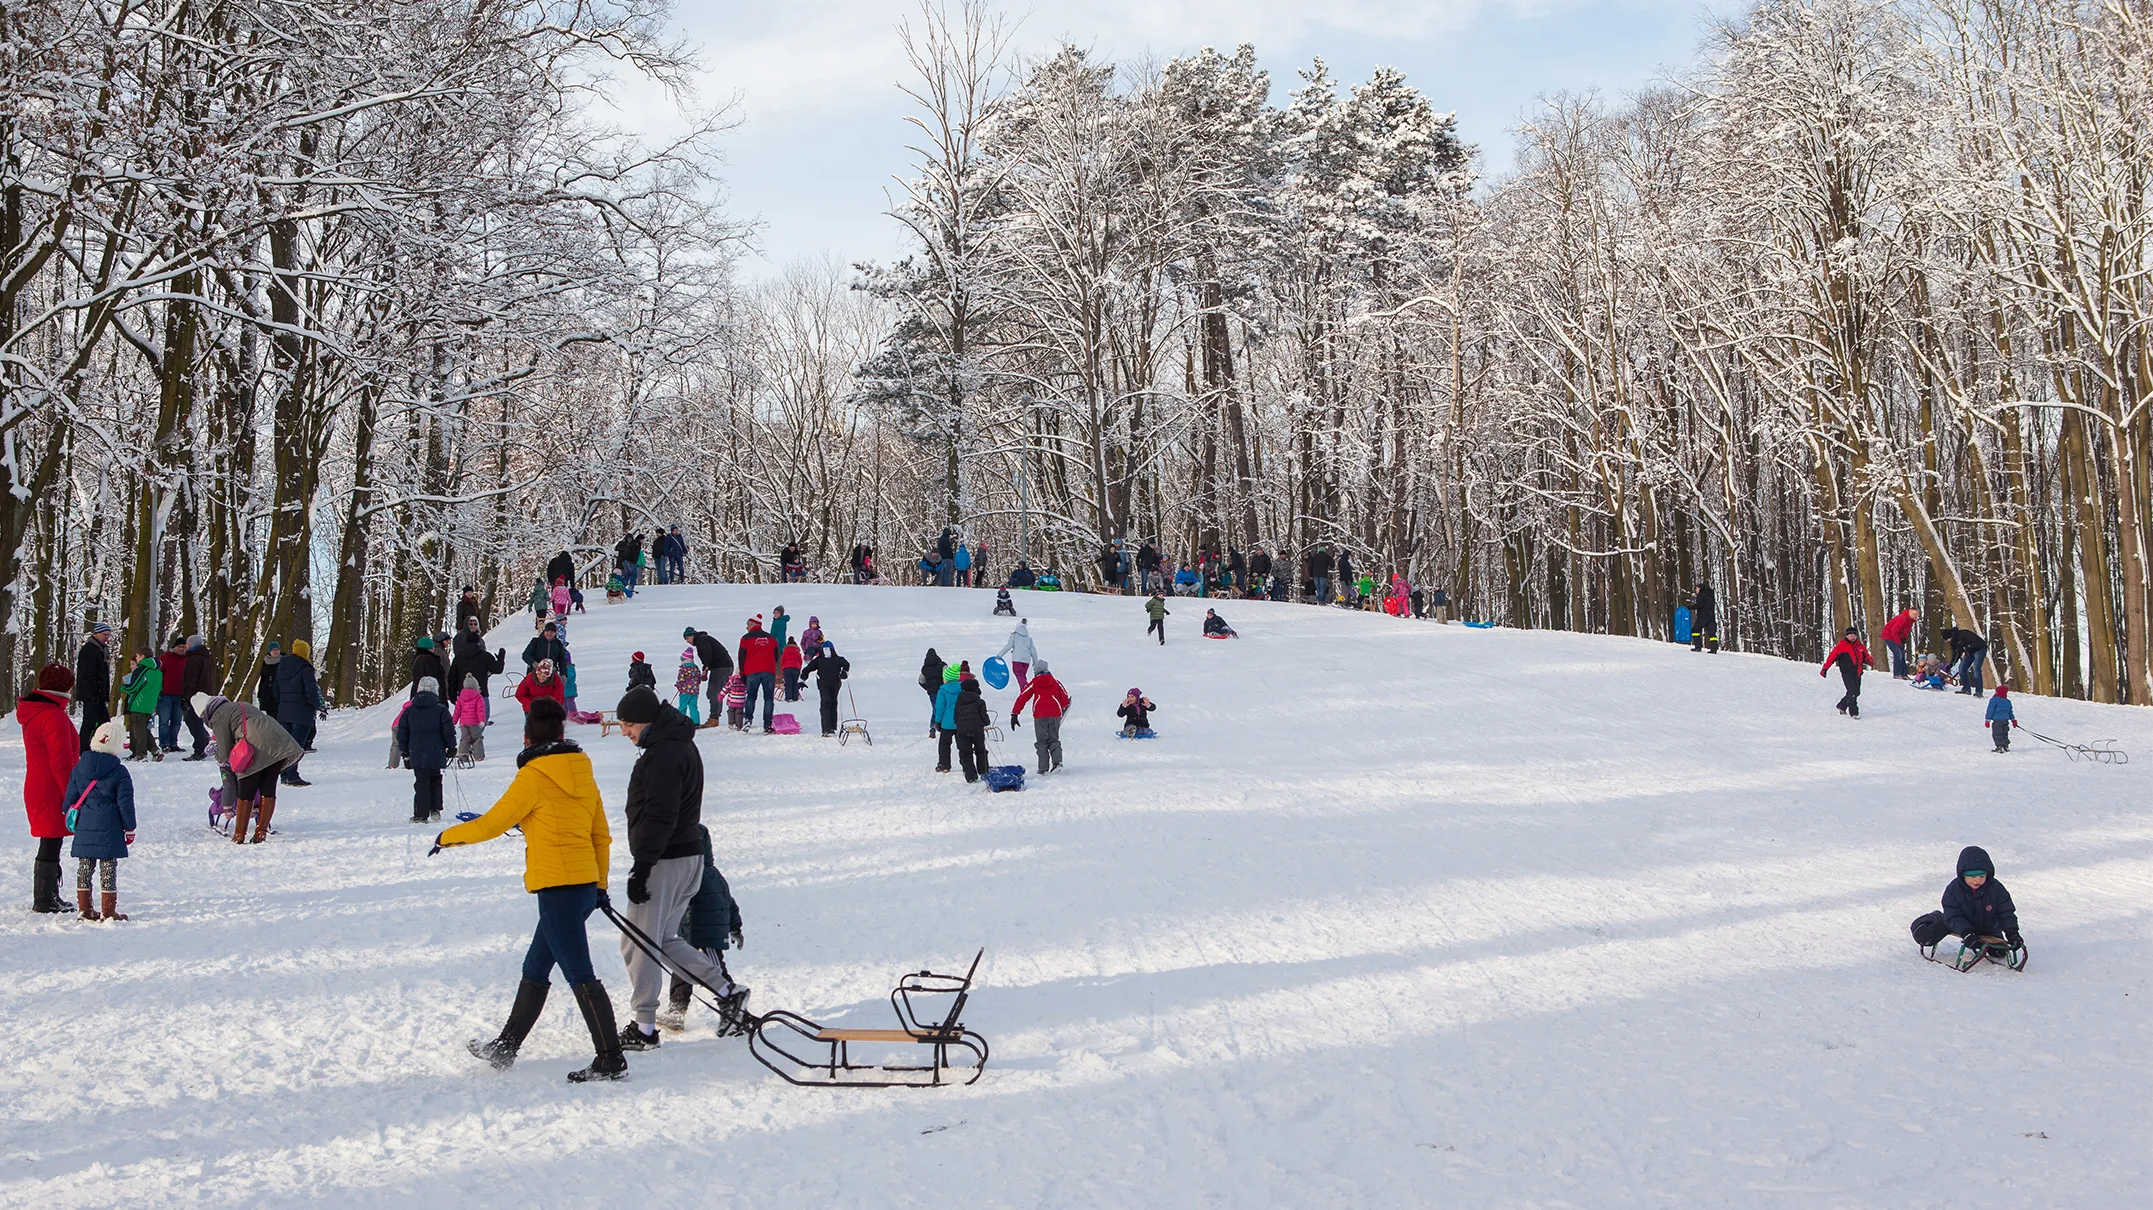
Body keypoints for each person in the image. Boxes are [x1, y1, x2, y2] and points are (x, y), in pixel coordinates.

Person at [441, 697, 624, 1082]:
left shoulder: (534, 776)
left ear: (527, 738)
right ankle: (505, 1047)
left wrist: (447, 836)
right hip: (583, 885)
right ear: (561, 732)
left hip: (557, 888)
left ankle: (610, 1058)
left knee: (580, 974)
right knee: (536, 967)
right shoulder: (582, 771)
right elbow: (600, 836)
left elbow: (492, 824)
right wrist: (600, 886)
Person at [610, 684, 735, 1053]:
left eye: (628, 724)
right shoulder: (676, 744)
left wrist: (642, 866)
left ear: (646, 720)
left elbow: (660, 815)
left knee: (638, 942)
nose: (625, 732)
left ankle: (644, 1028)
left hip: (666, 859)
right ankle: (727, 991)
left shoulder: (662, 754)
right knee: (663, 940)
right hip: (686, 856)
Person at [656, 824, 751, 1035]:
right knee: (682, 968)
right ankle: (675, 1012)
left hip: (705, 937)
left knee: (715, 971)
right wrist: (736, 928)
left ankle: (736, 1012)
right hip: (690, 934)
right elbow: (731, 903)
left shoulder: (695, 875)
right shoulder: (714, 875)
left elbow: (726, 903)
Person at [197, 692, 302, 843]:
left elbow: (224, 750)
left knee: (246, 789)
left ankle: (239, 835)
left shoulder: (217, 716)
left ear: (205, 712)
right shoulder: (239, 705)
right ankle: (261, 832)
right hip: (278, 741)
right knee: (268, 788)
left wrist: (219, 760)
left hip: (254, 747)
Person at [19, 665, 80, 913]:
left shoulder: (36, 711)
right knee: (51, 841)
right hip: (52, 787)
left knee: (50, 840)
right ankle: (45, 898)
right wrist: (72, 796)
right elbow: (61, 762)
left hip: (39, 784)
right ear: (63, 688)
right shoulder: (53, 716)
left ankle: (48, 894)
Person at [64, 721, 136, 921]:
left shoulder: (79, 768)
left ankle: (84, 909)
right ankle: (108, 911)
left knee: (84, 866)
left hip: (85, 826)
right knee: (108, 867)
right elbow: (125, 804)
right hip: (110, 828)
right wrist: (130, 827)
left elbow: (69, 801)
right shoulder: (120, 772)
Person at [394, 675, 452, 824]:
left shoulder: (409, 711)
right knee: (436, 779)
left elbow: (402, 733)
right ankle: (435, 809)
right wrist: (451, 747)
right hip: (436, 750)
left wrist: (405, 752)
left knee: (421, 782)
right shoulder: (441, 710)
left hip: (417, 751)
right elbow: (448, 731)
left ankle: (420, 814)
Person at [1940, 845, 2021, 950]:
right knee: (1936, 927)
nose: (1977, 881)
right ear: (1963, 875)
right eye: (1973, 877)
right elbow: (1953, 915)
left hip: (1989, 929)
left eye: (1982, 876)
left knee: (1999, 952)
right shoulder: (1953, 890)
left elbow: (2006, 912)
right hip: (1964, 929)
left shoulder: (1996, 888)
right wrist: (1967, 932)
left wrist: (2012, 932)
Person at [274, 638, 324, 785]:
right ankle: (292, 776)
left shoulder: (282, 666)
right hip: (302, 713)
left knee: (285, 746)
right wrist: (316, 705)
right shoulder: (305, 668)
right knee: (297, 746)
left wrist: (284, 702)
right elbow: (311, 692)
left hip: (284, 712)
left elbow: (276, 691)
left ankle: (284, 776)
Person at [1010, 659, 1069, 775]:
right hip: (1055, 715)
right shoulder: (1056, 682)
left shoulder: (1034, 683)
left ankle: (1043, 769)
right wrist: (1061, 706)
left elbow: (1023, 697)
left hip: (1040, 716)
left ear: (1036, 671)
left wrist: (1015, 713)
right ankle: (1057, 762)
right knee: (1054, 739)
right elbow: (1065, 699)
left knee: (1042, 741)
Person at [449, 621, 506, 723]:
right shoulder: (485, 656)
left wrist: (452, 694)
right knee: (482, 720)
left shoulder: (458, 658)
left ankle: (468, 738)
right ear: (478, 642)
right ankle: (475, 738)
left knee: (466, 722)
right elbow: (498, 669)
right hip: (481, 693)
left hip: (463, 694)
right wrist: (501, 658)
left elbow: (452, 677)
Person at [73, 622, 115, 754]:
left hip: (98, 693)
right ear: (96, 634)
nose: (107, 637)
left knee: (103, 722)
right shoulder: (89, 650)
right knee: (90, 722)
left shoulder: (101, 649)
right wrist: (93, 694)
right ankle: (83, 748)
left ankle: (98, 746)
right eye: (104, 635)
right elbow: (87, 674)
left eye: (108, 635)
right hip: (92, 694)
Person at [119, 645, 162, 763]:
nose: (136, 659)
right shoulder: (157, 671)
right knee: (143, 728)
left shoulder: (142, 669)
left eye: (137, 656)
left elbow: (134, 687)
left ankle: (141, 754)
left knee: (138, 731)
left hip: (138, 703)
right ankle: (154, 750)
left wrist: (124, 687)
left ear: (142, 656)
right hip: (149, 704)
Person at [684, 627, 734, 729]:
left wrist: (705, 669)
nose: (687, 642)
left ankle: (714, 718)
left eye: (687, 639)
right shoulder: (703, 639)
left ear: (691, 636)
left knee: (714, 692)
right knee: (713, 692)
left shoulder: (701, 640)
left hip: (721, 667)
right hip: (722, 666)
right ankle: (714, 717)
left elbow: (707, 655)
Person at [736, 615, 778, 733]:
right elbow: (776, 655)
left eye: (747, 625)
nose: (746, 628)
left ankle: (748, 721)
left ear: (751, 625)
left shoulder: (745, 639)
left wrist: (743, 673)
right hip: (769, 671)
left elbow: (741, 657)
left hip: (752, 671)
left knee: (751, 697)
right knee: (768, 698)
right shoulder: (771, 638)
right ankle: (767, 725)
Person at [178, 634, 217, 760]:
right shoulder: (206, 658)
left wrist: (185, 696)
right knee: (196, 721)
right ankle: (203, 741)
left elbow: (190, 680)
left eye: (188, 644)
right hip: (204, 693)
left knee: (193, 721)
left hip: (194, 695)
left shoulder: (194, 660)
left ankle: (200, 748)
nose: (186, 646)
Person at [802, 640, 850, 736]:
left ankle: (826, 729)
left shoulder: (819, 660)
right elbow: (846, 664)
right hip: (835, 684)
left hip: (823, 684)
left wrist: (802, 679)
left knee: (825, 704)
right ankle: (832, 728)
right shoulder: (838, 659)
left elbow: (807, 669)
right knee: (833, 703)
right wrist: (844, 673)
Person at [1820, 626, 1870, 718]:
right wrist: (1825, 669)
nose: (1852, 637)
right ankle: (1854, 712)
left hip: (1858, 672)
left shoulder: (1860, 646)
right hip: (1847, 672)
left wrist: (1869, 661)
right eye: (1850, 635)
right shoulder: (1841, 646)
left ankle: (1842, 705)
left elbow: (1866, 656)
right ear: (1847, 636)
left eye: (1854, 635)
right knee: (1852, 691)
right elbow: (1831, 657)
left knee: (1857, 692)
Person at [951, 673, 991, 782]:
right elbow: (984, 718)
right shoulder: (980, 702)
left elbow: (956, 717)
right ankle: (983, 771)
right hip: (977, 731)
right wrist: (985, 722)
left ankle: (970, 776)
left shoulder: (959, 702)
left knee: (965, 753)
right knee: (980, 751)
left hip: (962, 731)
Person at [156, 634, 188, 753]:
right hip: (165, 694)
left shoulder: (187, 660)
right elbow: (158, 674)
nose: (181, 649)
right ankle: (164, 743)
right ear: (174, 647)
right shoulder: (166, 658)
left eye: (183, 647)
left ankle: (173, 743)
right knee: (164, 721)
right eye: (179, 646)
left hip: (180, 695)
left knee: (176, 721)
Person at [1942, 624, 1990, 697]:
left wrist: (1966, 648)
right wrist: (1951, 664)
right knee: (1962, 669)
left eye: (1947, 639)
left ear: (1950, 636)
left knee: (1976, 668)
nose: (1947, 641)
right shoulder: (1953, 642)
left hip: (1980, 649)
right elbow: (1956, 653)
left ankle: (1979, 691)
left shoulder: (1964, 633)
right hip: (1969, 652)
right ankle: (1966, 688)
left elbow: (1977, 643)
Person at [933, 664, 962, 772]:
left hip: (946, 723)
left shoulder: (942, 691)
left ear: (946, 678)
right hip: (960, 722)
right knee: (962, 745)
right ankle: (965, 764)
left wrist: (937, 721)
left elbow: (940, 708)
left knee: (944, 745)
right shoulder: (963, 688)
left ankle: (944, 765)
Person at [455, 674, 488, 763]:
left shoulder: (461, 697)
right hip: (474, 722)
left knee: (465, 738)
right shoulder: (478, 697)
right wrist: (482, 720)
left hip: (463, 722)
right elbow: (480, 710)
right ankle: (478, 756)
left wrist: (453, 721)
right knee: (477, 738)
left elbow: (457, 711)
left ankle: (462, 754)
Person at [996, 620, 1037, 689]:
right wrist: (1035, 661)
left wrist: (999, 655)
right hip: (1026, 661)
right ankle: (1024, 693)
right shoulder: (1029, 639)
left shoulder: (1014, 635)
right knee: (1022, 676)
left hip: (1017, 659)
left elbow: (1009, 645)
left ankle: (1027, 687)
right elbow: (1033, 651)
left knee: (1019, 675)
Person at [1880, 607, 1919, 678]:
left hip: (1898, 637)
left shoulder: (1910, 621)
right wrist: (1898, 642)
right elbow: (1894, 631)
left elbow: (1904, 631)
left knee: (1902, 654)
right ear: (1909, 613)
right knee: (1898, 653)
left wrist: (1904, 639)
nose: (1915, 616)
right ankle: (1897, 674)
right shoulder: (1902, 618)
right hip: (1889, 636)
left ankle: (1904, 674)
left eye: (1917, 614)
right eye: (1914, 614)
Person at [674, 648, 706, 726]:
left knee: (682, 706)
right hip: (694, 691)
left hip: (685, 691)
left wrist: (678, 685)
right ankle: (696, 722)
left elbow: (681, 679)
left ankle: (680, 721)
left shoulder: (683, 669)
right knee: (693, 706)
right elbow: (698, 679)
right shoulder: (695, 668)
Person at [919, 647, 946, 737]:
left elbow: (921, 681)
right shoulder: (942, 665)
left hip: (932, 693)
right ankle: (944, 726)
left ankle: (933, 728)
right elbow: (947, 676)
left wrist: (928, 688)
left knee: (935, 708)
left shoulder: (924, 668)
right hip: (942, 690)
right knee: (945, 707)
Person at [1985, 685, 2019, 753]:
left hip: (1997, 721)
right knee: (2004, 733)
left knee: (1997, 734)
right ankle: (2006, 746)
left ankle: (1999, 746)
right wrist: (2013, 720)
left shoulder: (1994, 700)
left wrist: (1987, 720)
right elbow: (2010, 712)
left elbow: (1990, 710)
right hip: (2005, 721)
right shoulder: (2007, 701)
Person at [1691, 583, 1720, 653]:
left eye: (1697, 588)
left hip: (1703, 617)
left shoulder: (1701, 595)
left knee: (1695, 630)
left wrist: (1690, 607)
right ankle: (1714, 649)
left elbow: (1699, 605)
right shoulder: (1710, 595)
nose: (1696, 590)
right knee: (1712, 633)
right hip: (1711, 617)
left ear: (1700, 589)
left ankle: (1698, 647)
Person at [615, 531, 643, 598]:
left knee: (627, 574)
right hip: (627, 561)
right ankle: (628, 588)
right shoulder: (631, 544)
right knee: (632, 574)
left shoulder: (632, 543)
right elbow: (617, 548)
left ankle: (623, 587)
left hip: (624, 560)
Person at [780, 638, 803, 702]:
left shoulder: (785, 651)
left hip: (787, 668)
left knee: (788, 683)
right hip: (796, 668)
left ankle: (788, 697)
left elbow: (782, 661)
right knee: (795, 683)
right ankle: (795, 697)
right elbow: (800, 661)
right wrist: (799, 668)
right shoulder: (797, 652)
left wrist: (782, 669)